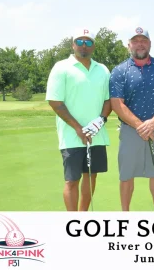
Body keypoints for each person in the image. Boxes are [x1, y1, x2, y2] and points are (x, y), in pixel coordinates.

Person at [109, 27, 154, 211]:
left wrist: (153, 122)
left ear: (149, 43)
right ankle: (125, 214)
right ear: (129, 45)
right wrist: (141, 126)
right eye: (136, 40)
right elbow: (117, 104)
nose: (140, 44)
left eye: (143, 40)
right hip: (130, 130)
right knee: (126, 175)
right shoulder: (119, 71)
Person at [45, 28, 111, 211]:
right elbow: (55, 101)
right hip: (71, 135)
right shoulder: (61, 67)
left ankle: (82, 217)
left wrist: (101, 120)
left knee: (91, 176)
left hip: (96, 135)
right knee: (72, 180)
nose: (84, 45)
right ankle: (73, 221)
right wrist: (78, 128)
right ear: (73, 44)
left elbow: (108, 100)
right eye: (80, 42)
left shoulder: (103, 70)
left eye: (88, 42)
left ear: (94, 46)